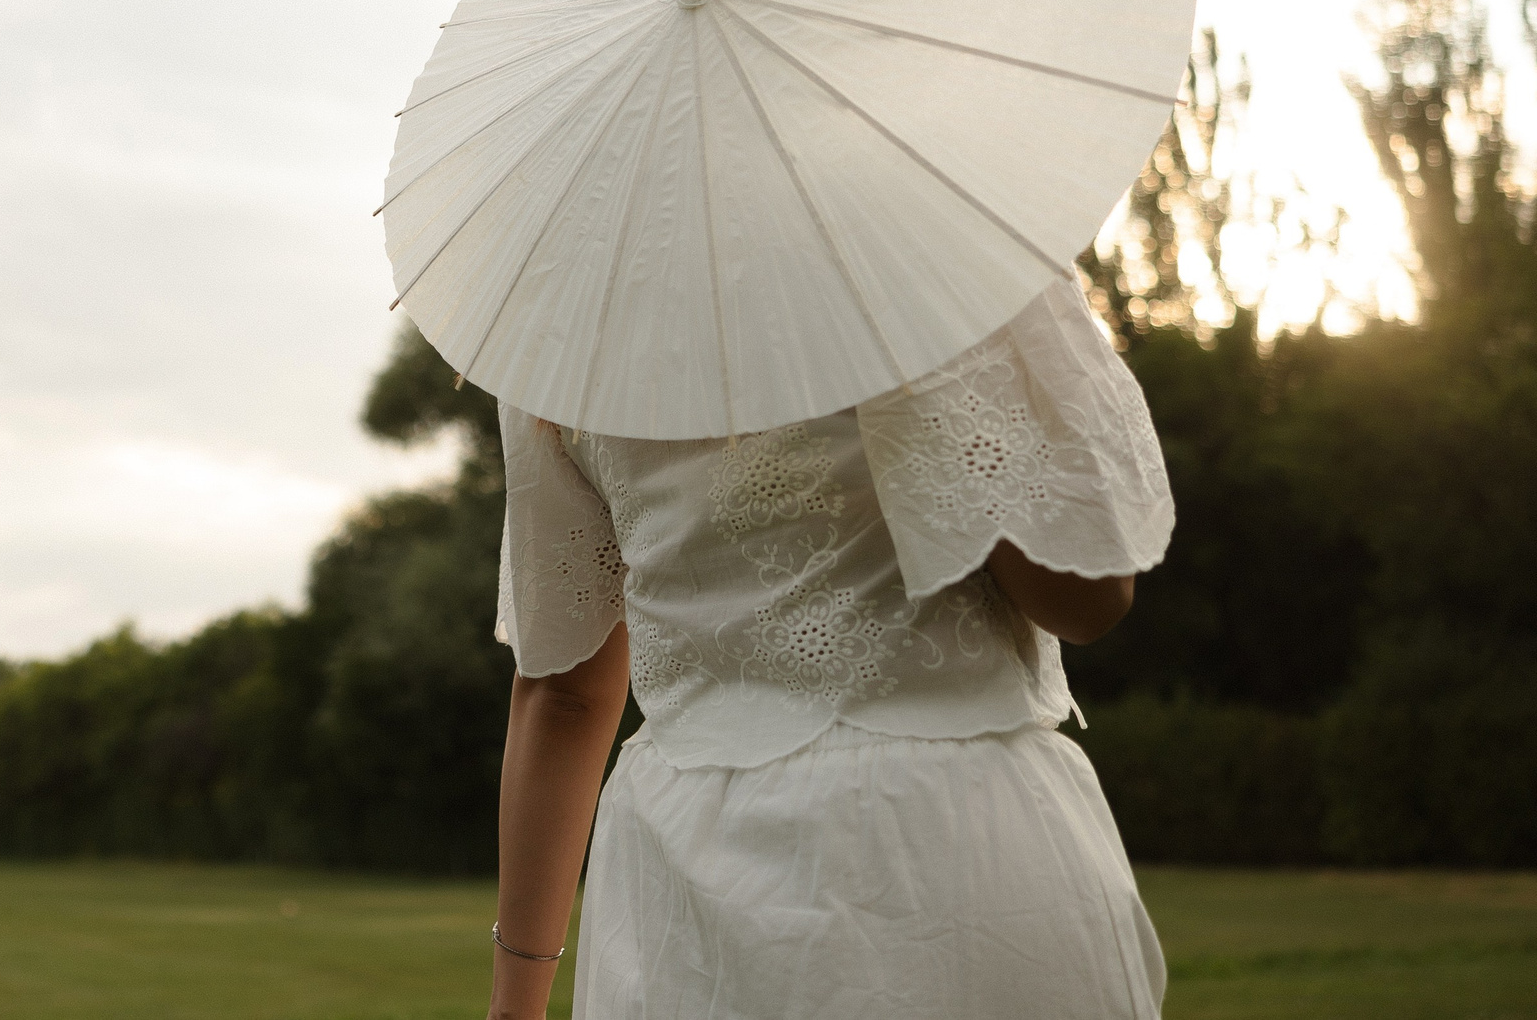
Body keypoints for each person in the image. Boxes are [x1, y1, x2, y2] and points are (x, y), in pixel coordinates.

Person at [485, 275, 1172, 1020]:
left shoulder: (559, 321)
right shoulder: (934, 255)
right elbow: (1090, 598)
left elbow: (565, 691)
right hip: (956, 827)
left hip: (692, 870)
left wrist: (515, 1004)